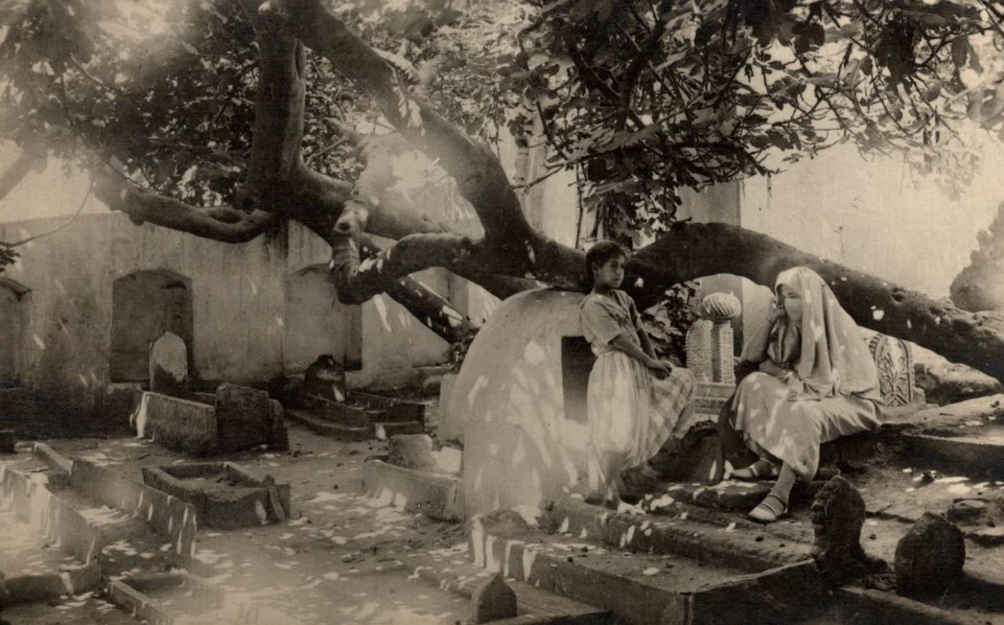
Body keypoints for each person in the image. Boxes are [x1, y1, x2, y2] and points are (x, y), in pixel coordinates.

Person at [717, 266, 881, 523]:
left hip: (850, 399)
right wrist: (771, 320)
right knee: (753, 383)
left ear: (810, 297)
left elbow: (854, 381)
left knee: (803, 412)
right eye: (781, 297)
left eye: (793, 296)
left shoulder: (839, 324)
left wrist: (807, 388)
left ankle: (780, 495)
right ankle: (770, 460)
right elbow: (753, 359)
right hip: (806, 388)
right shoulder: (785, 324)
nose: (785, 304)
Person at [578, 240, 696, 505]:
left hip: (635, 367)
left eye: (622, 267)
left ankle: (612, 486)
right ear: (596, 269)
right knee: (616, 431)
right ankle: (608, 491)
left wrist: (654, 364)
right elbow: (619, 339)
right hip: (613, 370)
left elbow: (640, 332)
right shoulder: (592, 305)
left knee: (682, 380)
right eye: (613, 267)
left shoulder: (623, 298)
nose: (619, 272)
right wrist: (649, 362)